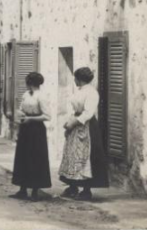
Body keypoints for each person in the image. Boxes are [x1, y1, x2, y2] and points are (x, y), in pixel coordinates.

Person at [58, 67, 109, 201]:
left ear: (80, 79)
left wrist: (74, 123)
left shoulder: (92, 93)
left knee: (85, 158)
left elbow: (88, 112)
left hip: (86, 126)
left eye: (75, 78)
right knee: (72, 155)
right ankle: (73, 186)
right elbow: (75, 110)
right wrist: (69, 121)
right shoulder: (80, 91)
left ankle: (86, 190)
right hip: (75, 124)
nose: (74, 80)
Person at [10, 72, 51, 201]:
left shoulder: (41, 96)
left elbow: (47, 116)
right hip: (25, 129)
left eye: (28, 82)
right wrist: (20, 116)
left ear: (31, 83)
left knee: (36, 158)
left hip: (36, 131)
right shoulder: (25, 95)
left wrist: (30, 119)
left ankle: (34, 191)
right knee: (23, 157)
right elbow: (21, 109)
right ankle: (22, 189)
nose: (27, 85)